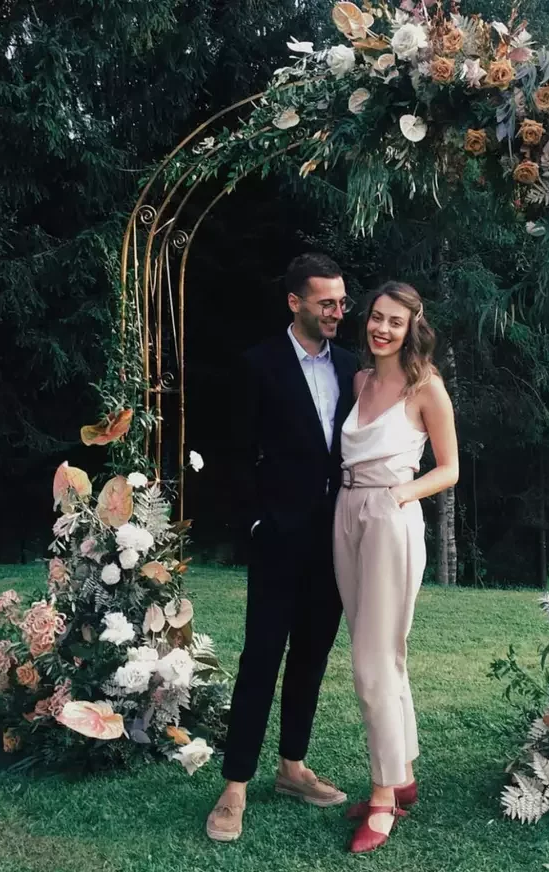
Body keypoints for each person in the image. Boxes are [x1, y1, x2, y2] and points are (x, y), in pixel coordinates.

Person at [206, 253, 358, 842]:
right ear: (295, 302)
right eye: (326, 302)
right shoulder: (258, 364)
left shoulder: (352, 366)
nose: (338, 312)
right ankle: (235, 787)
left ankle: (293, 767)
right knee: (261, 657)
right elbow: (233, 454)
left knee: (312, 656)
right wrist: (254, 523)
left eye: (342, 301)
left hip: (335, 539)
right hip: (276, 537)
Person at [333, 281, 459, 853]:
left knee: (373, 661)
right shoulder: (360, 381)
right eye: (377, 317)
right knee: (381, 652)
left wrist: (401, 495)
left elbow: (449, 468)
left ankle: (383, 796)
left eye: (395, 322)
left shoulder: (426, 386)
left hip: (389, 515)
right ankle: (402, 773)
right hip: (346, 512)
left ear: (413, 328)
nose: (382, 329)